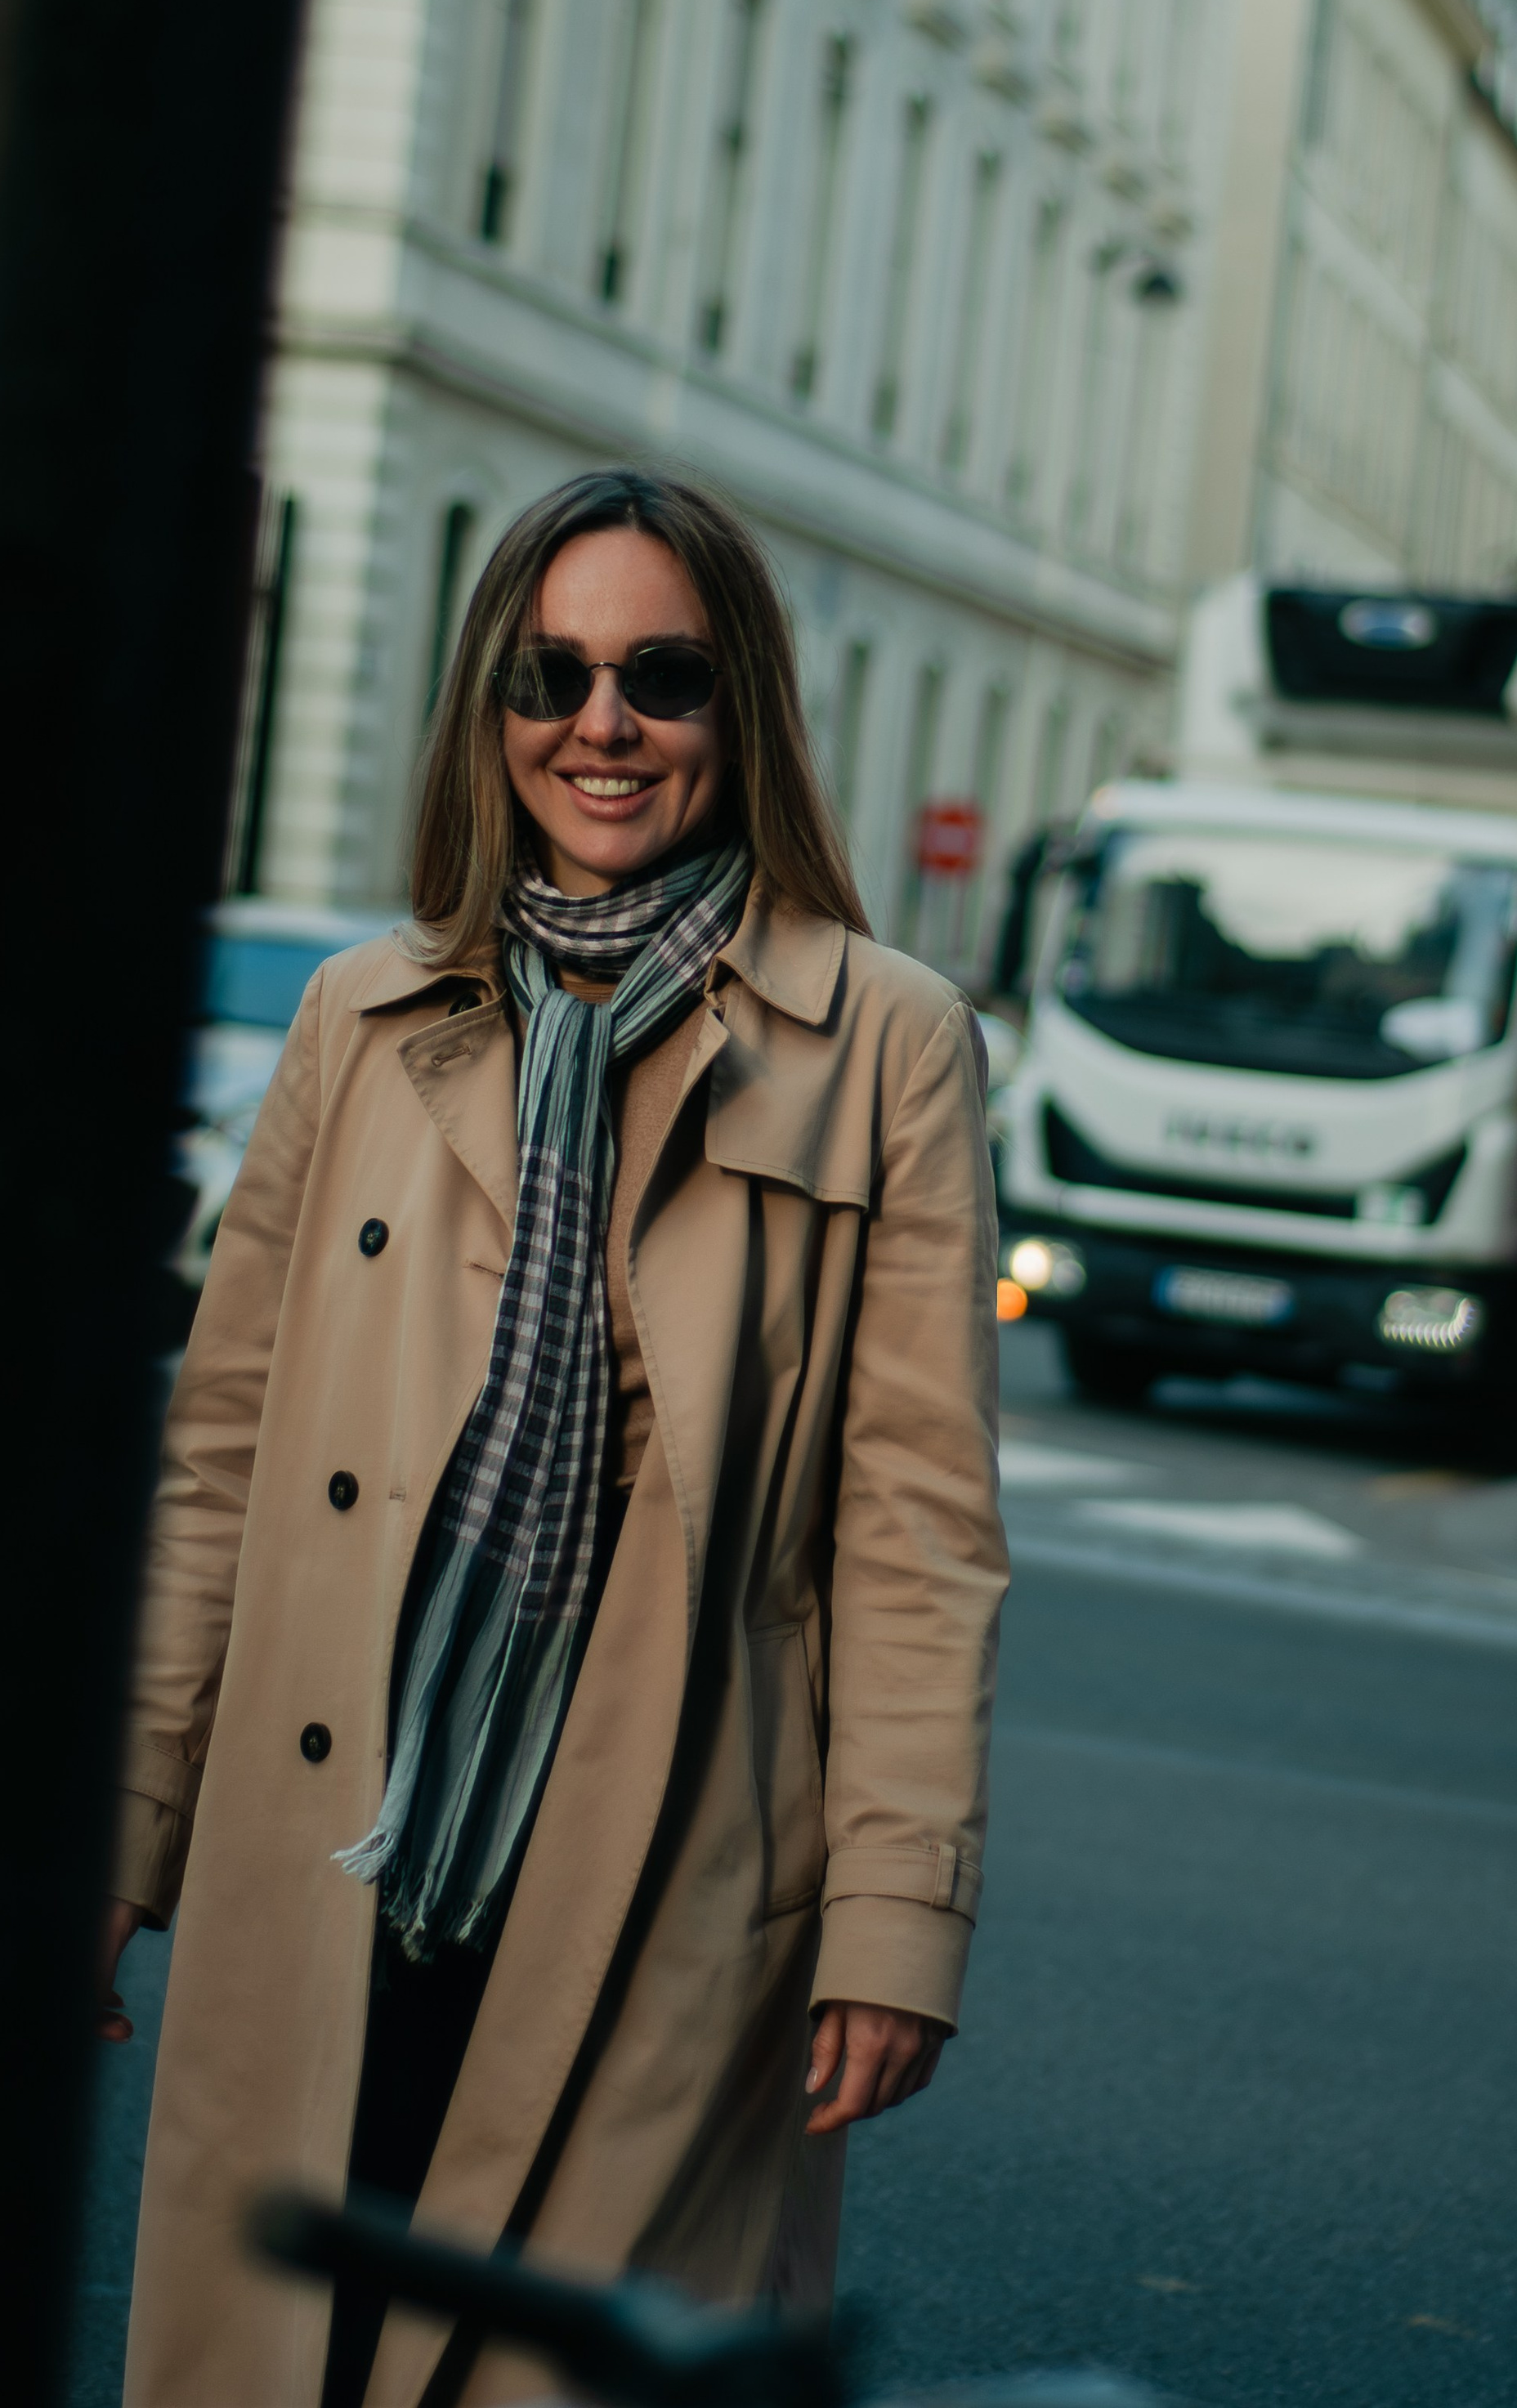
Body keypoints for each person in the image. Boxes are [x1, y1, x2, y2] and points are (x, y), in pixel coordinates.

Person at [99, 470, 1008, 2408]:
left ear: (736, 706)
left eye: (658, 674)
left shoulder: (886, 1042)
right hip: (333, 1826)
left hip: (667, 1861)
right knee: (290, 2343)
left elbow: (915, 1530)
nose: (599, 721)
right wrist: (125, 1815)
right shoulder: (363, 1015)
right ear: (489, 701)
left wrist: (892, 1913)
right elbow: (220, 1461)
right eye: (551, 668)